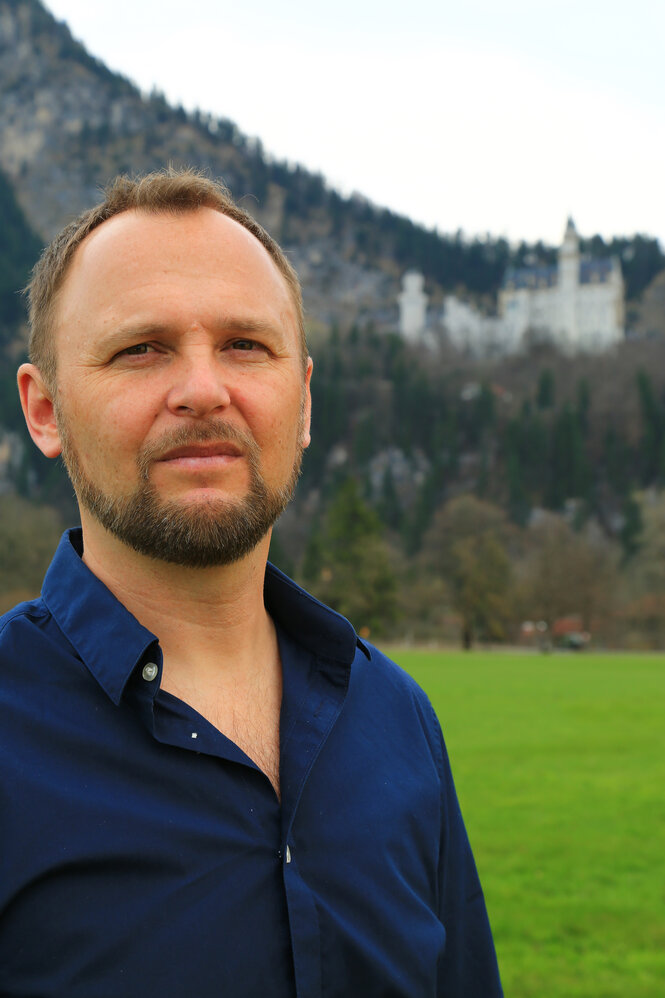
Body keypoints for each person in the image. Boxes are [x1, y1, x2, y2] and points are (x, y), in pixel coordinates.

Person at [0, 169, 503, 997]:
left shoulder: (397, 720)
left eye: (244, 345)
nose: (203, 391)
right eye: (140, 349)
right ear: (44, 410)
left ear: (301, 401)